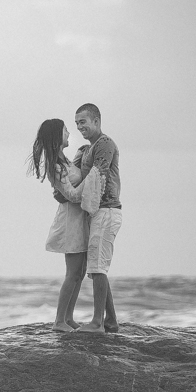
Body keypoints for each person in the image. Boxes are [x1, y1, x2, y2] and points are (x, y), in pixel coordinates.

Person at [29, 118, 89, 332]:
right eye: (65, 130)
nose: (69, 134)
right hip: (69, 222)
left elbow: (71, 187)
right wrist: (91, 180)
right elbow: (72, 195)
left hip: (79, 220)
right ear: (57, 136)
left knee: (80, 272)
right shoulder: (55, 165)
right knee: (72, 273)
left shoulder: (65, 161)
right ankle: (59, 321)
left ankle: (69, 317)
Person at [70, 103, 121, 333]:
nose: (80, 126)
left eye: (83, 122)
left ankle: (97, 323)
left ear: (96, 121)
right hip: (97, 212)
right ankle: (110, 320)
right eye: (77, 123)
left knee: (98, 268)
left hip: (107, 210)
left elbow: (96, 176)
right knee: (96, 267)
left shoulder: (105, 144)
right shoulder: (87, 149)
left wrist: (73, 193)